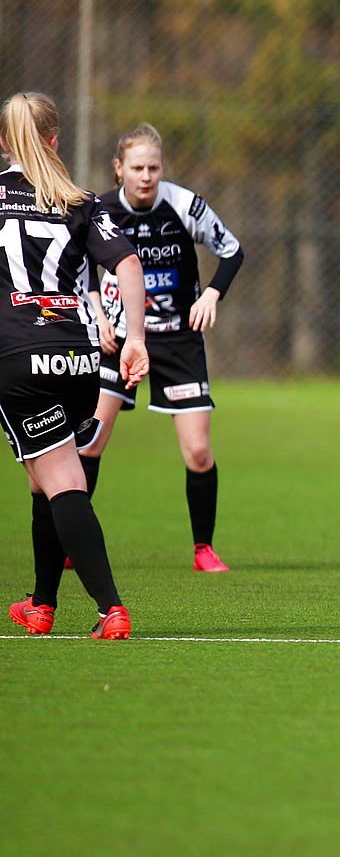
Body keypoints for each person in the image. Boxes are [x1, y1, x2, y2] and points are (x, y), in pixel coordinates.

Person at [3, 91, 150, 639]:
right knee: (47, 477)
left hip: (17, 358)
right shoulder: (82, 201)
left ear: (2, 142)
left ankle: (111, 607)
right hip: (77, 360)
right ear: (54, 139)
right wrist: (135, 338)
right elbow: (129, 264)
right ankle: (41, 605)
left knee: (60, 479)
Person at [81, 123, 244, 573]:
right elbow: (76, 266)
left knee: (198, 452)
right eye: (137, 167)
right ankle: (72, 543)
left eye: (153, 167)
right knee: (90, 441)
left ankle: (203, 549)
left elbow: (231, 251)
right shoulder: (99, 210)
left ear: (162, 169)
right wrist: (96, 315)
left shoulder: (184, 205)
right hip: (116, 337)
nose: (146, 176)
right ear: (119, 169)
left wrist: (211, 294)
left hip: (176, 338)